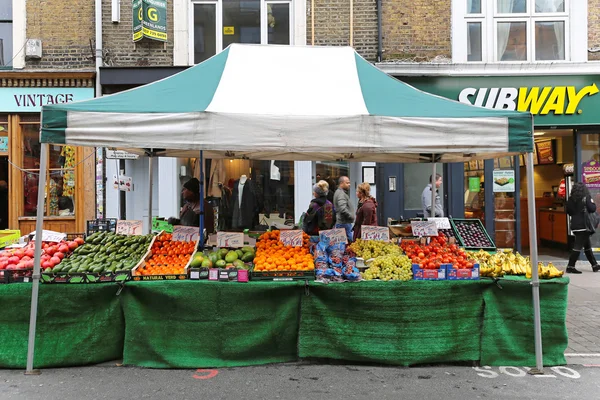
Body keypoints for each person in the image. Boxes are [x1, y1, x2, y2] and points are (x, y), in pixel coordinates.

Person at [566, 182, 600, 274]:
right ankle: (570, 266)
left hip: (575, 225)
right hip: (584, 225)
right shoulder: (586, 198)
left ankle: (595, 265)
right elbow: (592, 208)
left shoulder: (571, 199)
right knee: (577, 246)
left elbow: (569, 211)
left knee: (587, 246)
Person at [333, 176, 354, 241]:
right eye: (347, 183)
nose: (349, 184)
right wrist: (351, 216)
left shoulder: (340, 192)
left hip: (344, 222)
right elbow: (342, 208)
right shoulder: (341, 194)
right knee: (348, 242)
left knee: (344, 243)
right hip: (344, 223)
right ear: (341, 183)